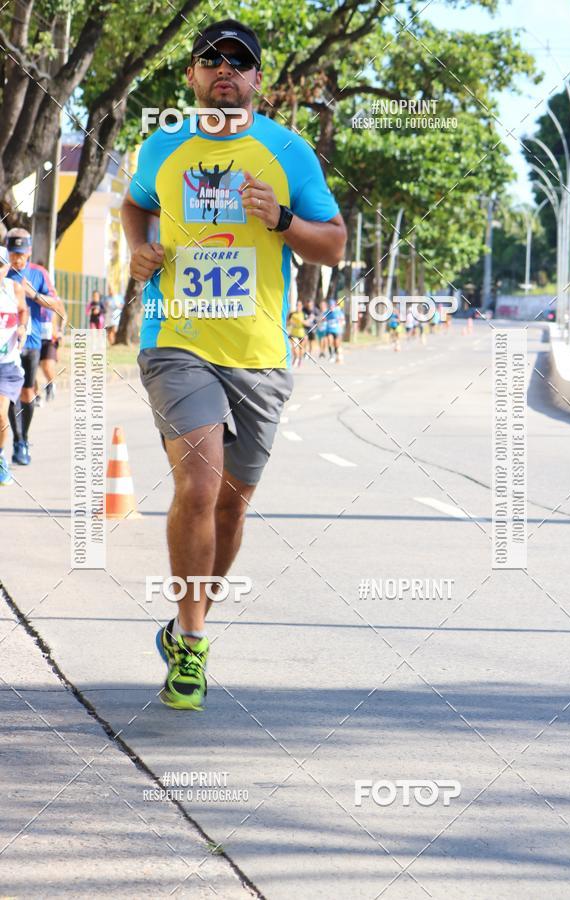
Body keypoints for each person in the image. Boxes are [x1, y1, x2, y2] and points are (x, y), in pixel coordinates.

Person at [121, 18, 346, 711]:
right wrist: (141, 248)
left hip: (258, 356)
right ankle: (191, 649)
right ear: (190, 75)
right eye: (211, 60)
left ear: (256, 81)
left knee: (230, 506)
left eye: (239, 62)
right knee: (198, 484)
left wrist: (281, 219)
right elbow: (135, 205)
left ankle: (187, 624)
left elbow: (333, 246)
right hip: (177, 342)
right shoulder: (163, 146)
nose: (225, 70)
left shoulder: (287, 152)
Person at [6, 229, 62, 465]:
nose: (17, 259)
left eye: (21, 254)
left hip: (31, 342)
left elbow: (56, 303)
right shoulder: (2, 271)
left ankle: (23, 439)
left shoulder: (39, 274)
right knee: (9, 395)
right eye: (12, 253)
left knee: (27, 392)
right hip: (7, 343)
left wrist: (34, 295)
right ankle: (17, 440)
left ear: (29, 252)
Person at [0, 246, 28, 485]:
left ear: (7, 267)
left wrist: (21, 327)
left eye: (0, 265)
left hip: (6, 366)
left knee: (0, 415)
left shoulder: (13, 288)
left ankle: (0, 457)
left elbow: (22, 310)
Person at [31, 261, 65, 403]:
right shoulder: (32, 297)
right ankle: (36, 395)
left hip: (50, 336)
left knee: (46, 366)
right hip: (35, 334)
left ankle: (51, 385)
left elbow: (63, 314)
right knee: (31, 369)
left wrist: (61, 331)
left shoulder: (53, 298)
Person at [325, 298, 345, 363]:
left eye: (332, 305)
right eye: (330, 306)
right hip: (329, 330)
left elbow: (342, 320)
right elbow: (322, 319)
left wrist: (341, 323)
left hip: (337, 330)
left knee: (336, 344)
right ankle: (331, 355)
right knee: (329, 341)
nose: (331, 307)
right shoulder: (327, 312)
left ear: (334, 306)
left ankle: (337, 354)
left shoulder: (338, 312)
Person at [287, 301, 306, 367]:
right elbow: (288, 322)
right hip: (293, 333)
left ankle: (300, 360)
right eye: (297, 305)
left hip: (301, 333)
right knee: (294, 347)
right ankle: (295, 357)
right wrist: (291, 323)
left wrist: (303, 322)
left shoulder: (304, 314)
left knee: (301, 348)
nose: (298, 307)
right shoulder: (292, 314)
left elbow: (308, 323)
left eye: (300, 305)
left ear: (302, 306)